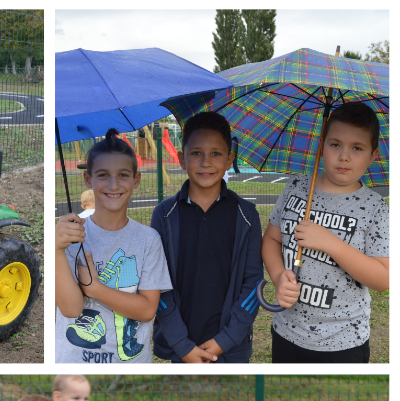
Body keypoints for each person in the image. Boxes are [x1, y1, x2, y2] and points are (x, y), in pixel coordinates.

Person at [263, 101, 389, 363]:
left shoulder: (375, 208)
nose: (344, 156)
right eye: (335, 145)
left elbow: (383, 279)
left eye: (357, 148)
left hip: (343, 342)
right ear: (321, 146)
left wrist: (330, 242)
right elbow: (271, 239)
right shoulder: (298, 186)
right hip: (286, 332)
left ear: (373, 155)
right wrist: (277, 276)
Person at [150, 112, 263, 364]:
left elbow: (253, 283)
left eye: (216, 154)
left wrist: (226, 340)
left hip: (230, 349)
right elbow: (156, 283)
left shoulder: (247, 216)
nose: (206, 162)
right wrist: (182, 343)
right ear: (181, 159)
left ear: (229, 159)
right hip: (182, 348)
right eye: (196, 153)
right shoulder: (164, 215)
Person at [55, 130, 172, 363]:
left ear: (136, 180)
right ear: (88, 180)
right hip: (75, 362)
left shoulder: (148, 239)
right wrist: (57, 250)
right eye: (103, 175)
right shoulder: (70, 236)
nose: (113, 184)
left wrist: (95, 288)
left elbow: (147, 310)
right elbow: (71, 309)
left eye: (123, 175)